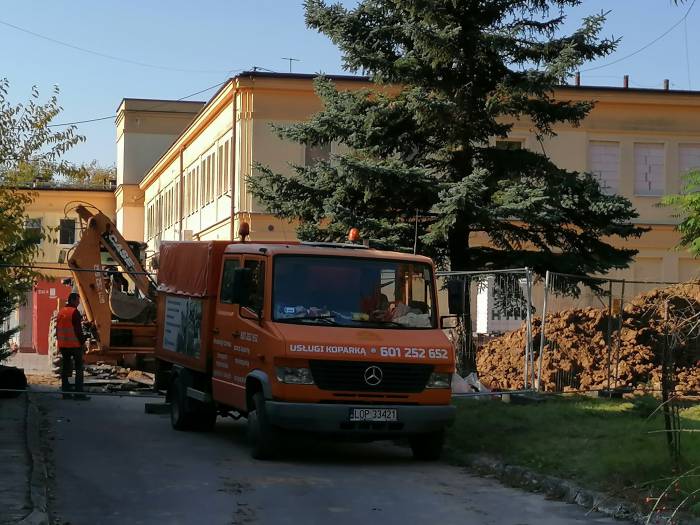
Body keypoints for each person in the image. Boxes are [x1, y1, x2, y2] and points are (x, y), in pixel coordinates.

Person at [55, 293, 88, 400]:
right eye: (78, 301)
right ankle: (79, 394)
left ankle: (65, 393)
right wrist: (83, 342)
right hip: (74, 346)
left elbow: (57, 330)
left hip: (64, 346)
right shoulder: (74, 312)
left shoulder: (61, 312)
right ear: (73, 300)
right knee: (79, 369)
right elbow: (78, 331)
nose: (78, 303)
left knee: (65, 368)